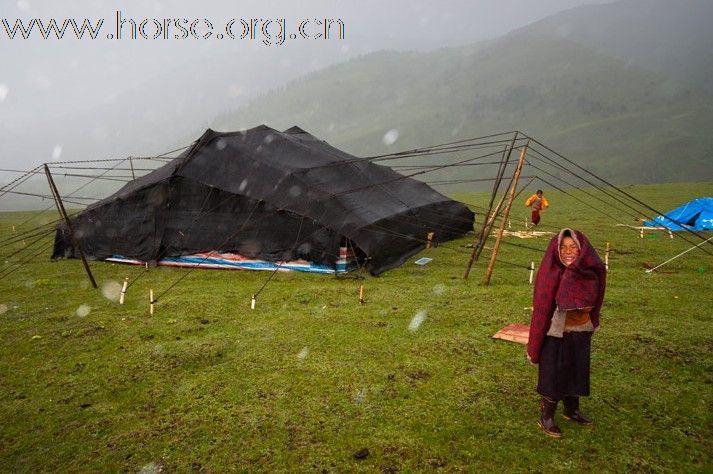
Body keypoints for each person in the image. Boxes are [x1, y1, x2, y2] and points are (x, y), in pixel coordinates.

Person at [527, 228, 606, 438]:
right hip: (556, 334)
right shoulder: (550, 272)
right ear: (556, 249)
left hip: (580, 330)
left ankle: (572, 410)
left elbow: (597, 300)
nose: (568, 252)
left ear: (583, 251)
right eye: (563, 247)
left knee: (577, 370)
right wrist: (534, 345)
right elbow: (542, 309)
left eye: (573, 247)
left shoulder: (590, 272)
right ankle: (547, 416)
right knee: (554, 375)